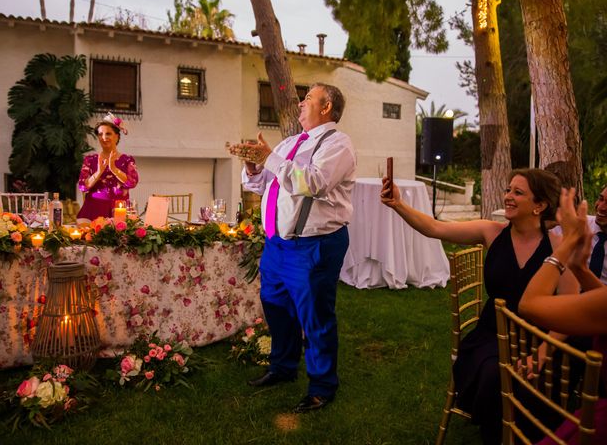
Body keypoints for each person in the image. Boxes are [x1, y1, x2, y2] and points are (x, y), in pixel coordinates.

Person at [380, 168, 578, 444]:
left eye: (517, 192)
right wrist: (398, 204)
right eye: (508, 190)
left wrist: (543, 351)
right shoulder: (492, 232)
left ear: (540, 206)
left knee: (539, 379)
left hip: (539, 337)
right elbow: (436, 228)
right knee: (493, 375)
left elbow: (570, 308)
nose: (507, 196)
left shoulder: (559, 247)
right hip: (492, 334)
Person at [228, 83, 356, 413]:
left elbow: (311, 183)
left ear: (326, 107)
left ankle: (322, 386)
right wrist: (254, 166)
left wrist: (269, 157)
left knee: (315, 316)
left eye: (308, 98)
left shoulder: (337, 143)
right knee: (276, 308)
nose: (301, 103)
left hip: (313, 246)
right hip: (277, 245)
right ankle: (282, 368)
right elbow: (261, 184)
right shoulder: (289, 143)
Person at [519, 188, 607, 445]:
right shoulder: (588, 226)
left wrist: (567, 247)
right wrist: (579, 267)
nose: (601, 207)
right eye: (601, 199)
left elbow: (530, 304)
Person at [77, 112, 139, 221]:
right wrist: (99, 172)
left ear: (117, 136)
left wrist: (114, 169)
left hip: (119, 210)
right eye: (100, 134)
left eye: (108, 134)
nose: (104, 137)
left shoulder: (127, 159)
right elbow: (83, 186)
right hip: (94, 209)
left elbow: (132, 182)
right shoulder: (90, 160)